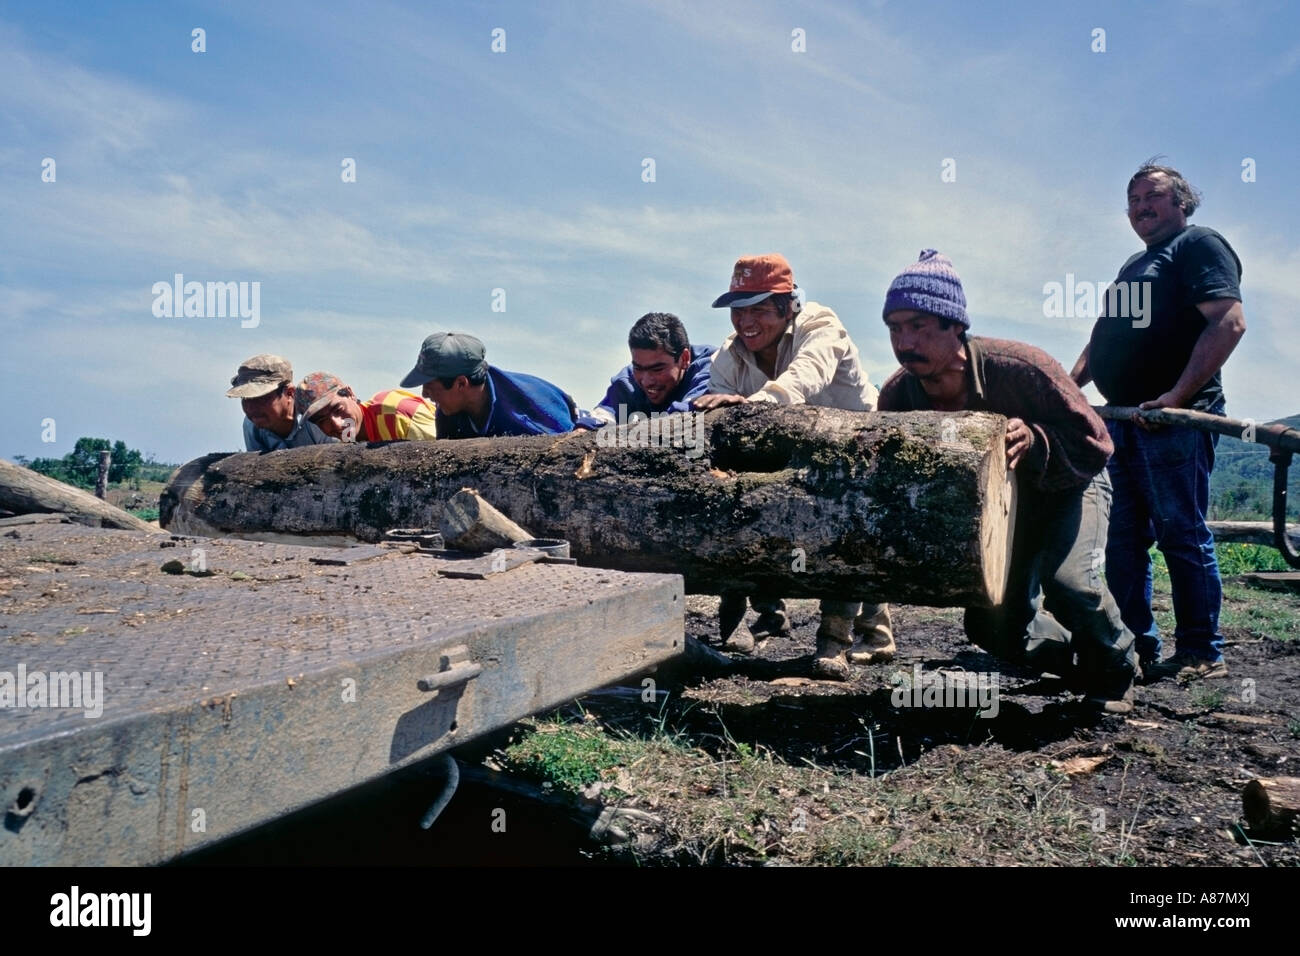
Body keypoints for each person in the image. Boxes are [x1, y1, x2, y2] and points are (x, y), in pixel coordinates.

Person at [879, 249, 1140, 712]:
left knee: (1073, 584)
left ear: (954, 325)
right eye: (895, 328)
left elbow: (1096, 443)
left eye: (918, 325)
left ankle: (1117, 668)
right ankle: (1073, 658)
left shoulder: (1022, 368)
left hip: (1071, 484)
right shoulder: (899, 394)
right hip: (1003, 511)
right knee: (990, 626)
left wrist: (1037, 440)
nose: (905, 341)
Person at [1071, 162, 1246, 683]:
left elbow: (1228, 321)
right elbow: (1102, 340)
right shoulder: (1135, 264)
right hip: (1123, 422)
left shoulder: (1199, 245)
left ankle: (1200, 650)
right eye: (1133, 200)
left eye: (1152, 196)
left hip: (1172, 421)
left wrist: (1173, 397)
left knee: (1181, 534)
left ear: (1182, 203)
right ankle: (1134, 645)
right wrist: (1063, 390)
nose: (1140, 207)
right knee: (1124, 538)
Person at [695, 253, 892, 678]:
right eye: (738, 310)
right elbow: (717, 416)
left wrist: (756, 405)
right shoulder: (728, 359)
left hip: (858, 450)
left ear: (788, 306)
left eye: (759, 309)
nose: (746, 321)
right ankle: (869, 632)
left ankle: (834, 640)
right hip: (793, 457)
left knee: (849, 531)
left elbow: (806, 376)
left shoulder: (821, 326)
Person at [399, 332, 580, 437]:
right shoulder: (450, 409)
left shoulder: (529, 421)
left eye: (430, 386)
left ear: (461, 383)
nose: (424, 394)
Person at [590, 312, 715, 425]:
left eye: (657, 369)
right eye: (638, 368)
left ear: (684, 359)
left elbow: (685, 412)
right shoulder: (627, 381)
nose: (647, 381)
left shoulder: (715, 366)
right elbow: (601, 415)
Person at [226, 354, 333, 452]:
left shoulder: (316, 418)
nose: (251, 408)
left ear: (290, 393)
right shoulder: (252, 425)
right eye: (245, 398)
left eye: (260, 397)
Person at [294, 372, 440, 442]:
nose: (337, 424)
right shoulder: (350, 438)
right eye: (321, 421)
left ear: (350, 394)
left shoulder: (397, 415)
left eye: (338, 410)